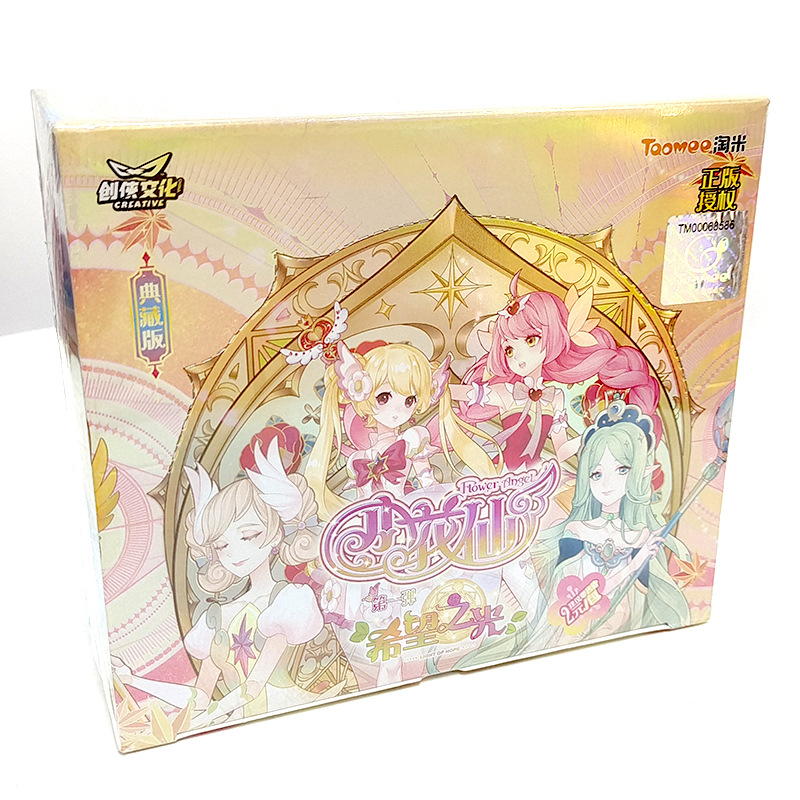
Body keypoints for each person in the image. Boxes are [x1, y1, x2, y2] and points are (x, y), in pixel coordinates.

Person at [113, 438, 341, 727]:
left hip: (297, 716)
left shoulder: (287, 601)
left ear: (275, 535)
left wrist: (201, 721)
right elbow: (200, 697)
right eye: (222, 545)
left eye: (248, 536)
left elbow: (253, 686)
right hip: (239, 726)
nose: (235, 552)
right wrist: (133, 680)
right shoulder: (217, 617)